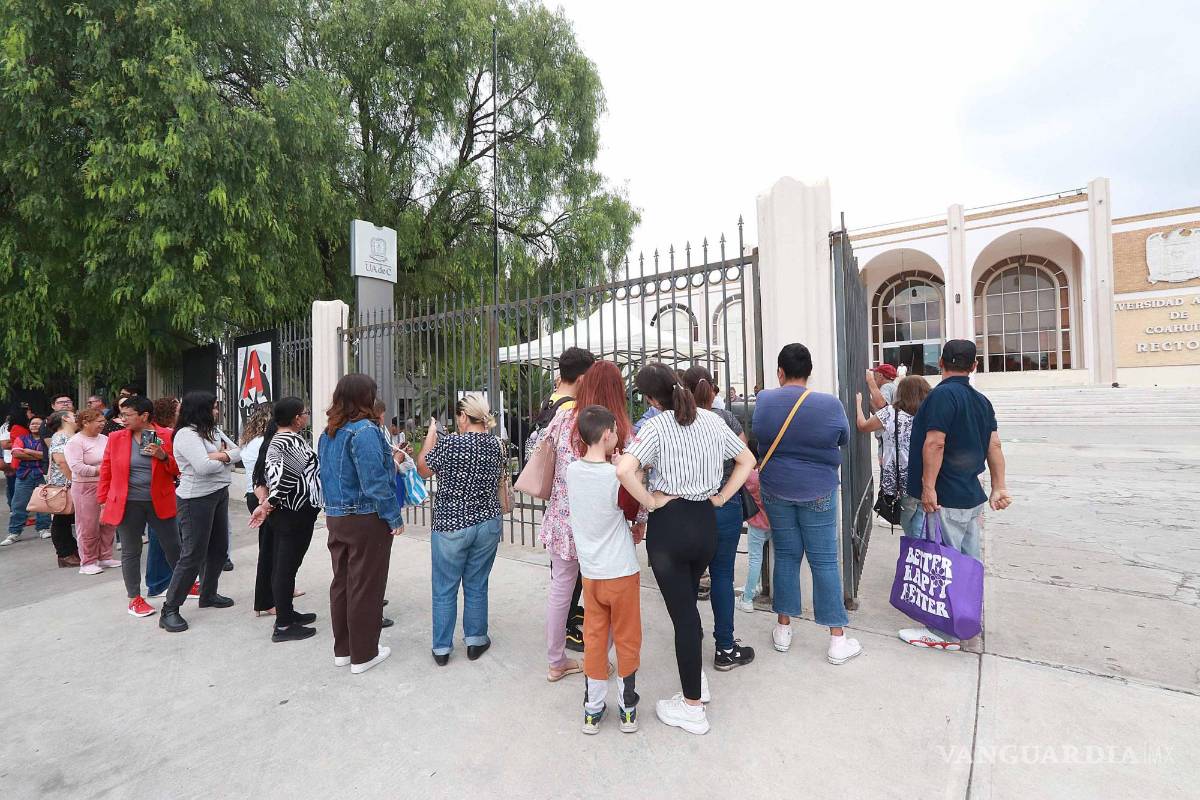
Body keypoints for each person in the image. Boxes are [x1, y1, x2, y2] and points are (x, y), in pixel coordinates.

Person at [616, 363, 753, 736]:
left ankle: (692, 706)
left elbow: (624, 470)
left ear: (650, 399)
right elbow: (747, 460)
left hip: (671, 528)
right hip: (705, 522)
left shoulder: (656, 426)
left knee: (685, 618)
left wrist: (650, 501)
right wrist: (722, 496)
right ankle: (698, 683)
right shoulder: (711, 420)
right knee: (688, 609)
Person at [752, 343, 862, 666]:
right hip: (818, 490)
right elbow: (843, 438)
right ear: (809, 372)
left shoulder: (764, 401)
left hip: (776, 488)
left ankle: (783, 629)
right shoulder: (829, 404)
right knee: (824, 560)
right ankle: (837, 639)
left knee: (786, 555)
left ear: (780, 372)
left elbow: (758, 435)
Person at [900, 340, 1012, 651]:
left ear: (940, 363)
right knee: (966, 564)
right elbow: (994, 445)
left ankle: (943, 632)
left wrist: (928, 487)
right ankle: (966, 621)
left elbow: (935, 442)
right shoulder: (981, 401)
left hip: (945, 496)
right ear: (974, 366)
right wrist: (999, 485)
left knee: (943, 563)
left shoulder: (941, 396)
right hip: (969, 495)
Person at [541, 360, 641, 682]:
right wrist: (640, 521)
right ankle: (599, 660)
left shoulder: (563, 419)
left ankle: (556, 661)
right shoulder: (620, 429)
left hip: (564, 521)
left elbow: (538, 451)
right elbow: (635, 480)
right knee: (606, 595)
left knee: (561, 589)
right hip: (604, 529)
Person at [318, 374, 404, 673]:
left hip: (337, 516)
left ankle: (344, 649)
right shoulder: (365, 431)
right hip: (365, 517)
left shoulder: (329, 432)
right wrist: (393, 516)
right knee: (366, 586)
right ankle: (364, 653)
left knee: (342, 583)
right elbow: (375, 482)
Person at [566, 405, 644, 735]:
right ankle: (628, 709)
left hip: (592, 573)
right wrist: (630, 473)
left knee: (595, 639)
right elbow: (632, 509)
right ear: (608, 434)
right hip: (621, 570)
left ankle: (593, 709)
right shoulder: (616, 477)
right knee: (627, 638)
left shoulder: (572, 471)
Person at [416, 393, 506, 667]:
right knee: (477, 583)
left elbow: (423, 469)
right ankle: (476, 640)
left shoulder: (450, 444)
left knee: (445, 587)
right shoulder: (497, 445)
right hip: (487, 522)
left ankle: (442, 648)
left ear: (464, 416)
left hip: (451, 523)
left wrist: (432, 434)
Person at [681, 365, 754, 671]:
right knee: (723, 576)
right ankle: (725, 647)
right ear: (713, 389)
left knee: (687, 578)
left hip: (688, 506)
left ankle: (690, 638)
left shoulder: (677, 420)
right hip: (724, 503)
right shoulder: (724, 419)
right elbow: (744, 455)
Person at [526, 346, 595, 652]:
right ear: (582, 378)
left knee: (562, 569)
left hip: (555, 495)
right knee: (568, 573)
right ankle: (565, 625)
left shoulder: (551, 401)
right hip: (569, 499)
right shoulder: (571, 410)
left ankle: (566, 616)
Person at [159, 391, 241, 632]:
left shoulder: (212, 430)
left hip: (219, 492)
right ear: (201, 409)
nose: (217, 411)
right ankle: (170, 609)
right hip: (195, 499)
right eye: (214, 407)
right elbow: (203, 467)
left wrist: (220, 455)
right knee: (193, 554)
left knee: (218, 549)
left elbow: (240, 451)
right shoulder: (186, 434)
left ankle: (208, 594)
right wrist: (225, 458)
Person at [97, 396, 182, 617]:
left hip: (159, 499)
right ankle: (134, 598)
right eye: (121, 415)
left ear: (144, 416)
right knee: (131, 550)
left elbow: (179, 469)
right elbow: (106, 470)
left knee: (173, 545)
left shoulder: (166, 435)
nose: (122, 419)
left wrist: (163, 456)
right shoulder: (116, 437)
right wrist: (103, 501)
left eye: (127, 415)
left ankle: (184, 585)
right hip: (128, 503)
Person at [249, 397, 322, 643]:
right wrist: (267, 505)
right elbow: (287, 479)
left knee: (286, 566)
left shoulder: (279, 439)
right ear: (296, 418)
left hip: (290, 511)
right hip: (294, 511)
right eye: (305, 412)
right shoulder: (289, 440)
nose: (307, 415)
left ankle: (287, 613)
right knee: (286, 567)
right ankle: (283, 625)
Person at [855, 375, 931, 533]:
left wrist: (858, 404)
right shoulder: (929, 414)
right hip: (927, 477)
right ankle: (920, 545)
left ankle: (916, 547)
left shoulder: (891, 413)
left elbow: (863, 426)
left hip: (901, 482)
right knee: (919, 520)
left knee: (911, 526)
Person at [67, 408, 118, 574]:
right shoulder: (75, 441)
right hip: (85, 487)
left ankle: (105, 556)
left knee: (108, 522)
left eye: (103, 421)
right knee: (88, 525)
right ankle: (87, 561)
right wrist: (101, 470)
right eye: (99, 421)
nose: (103, 424)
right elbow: (76, 467)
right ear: (85, 423)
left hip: (107, 484)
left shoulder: (105, 438)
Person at [240, 403, 275, 615]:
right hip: (263, 496)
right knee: (270, 549)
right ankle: (265, 600)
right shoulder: (264, 443)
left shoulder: (250, 442)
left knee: (271, 547)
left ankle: (278, 589)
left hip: (253, 495)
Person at [143, 397, 180, 596]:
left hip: (171, 490)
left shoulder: (170, 432)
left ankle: (174, 580)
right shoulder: (155, 434)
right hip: (161, 492)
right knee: (160, 539)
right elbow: (151, 465)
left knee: (171, 538)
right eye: (178, 409)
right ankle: (158, 583)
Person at [3, 415, 50, 545]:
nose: (35, 425)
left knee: (43, 503)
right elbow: (16, 453)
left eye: (38, 423)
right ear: (28, 426)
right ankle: (14, 532)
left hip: (42, 475)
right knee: (19, 504)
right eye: (32, 423)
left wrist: (29, 451)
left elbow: (49, 455)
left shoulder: (47, 440)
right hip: (24, 475)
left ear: (43, 426)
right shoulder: (21, 438)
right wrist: (40, 456)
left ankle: (43, 528)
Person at [45, 410, 80, 567]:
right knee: (62, 519)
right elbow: (61, 461)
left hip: (69, 483)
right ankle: (65, 554)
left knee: (66, 519)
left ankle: (71, 550)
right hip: (64, 485)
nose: (77, 418)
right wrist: (74, 480)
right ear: (65, 418)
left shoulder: (70, 436)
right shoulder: (61, 436)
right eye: (74, 416)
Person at [737, 468, 771, 613]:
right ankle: (755, 586)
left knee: (755, 560)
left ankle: (747, 599)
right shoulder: (772, 473)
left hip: (757, 523)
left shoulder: (750, 475)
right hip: (775, 522)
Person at [866, 365, 899, 464]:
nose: (874, 377)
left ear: (880, 375)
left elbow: (881, 405)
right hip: (890, 438)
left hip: (887, 439)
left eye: (875, 374)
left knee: (885, 466)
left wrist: (870, 382)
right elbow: (880, 413)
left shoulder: (886, 387)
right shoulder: (893, 387)